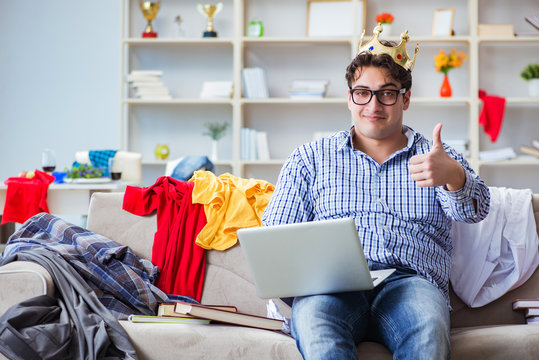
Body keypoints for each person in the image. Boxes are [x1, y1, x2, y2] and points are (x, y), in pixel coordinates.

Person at [261, 24, 490, 360]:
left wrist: (454, 176)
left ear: (405, 98)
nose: (373, 104)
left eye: (387, 92)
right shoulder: (310, 158)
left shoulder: (437, 157)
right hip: (331, 286)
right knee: (313, 322)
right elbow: (276, 238)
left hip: (411, 282)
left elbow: (476, 210)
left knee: (428, 326)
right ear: (350, 97)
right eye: (362, 92)